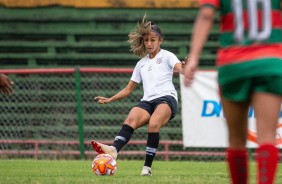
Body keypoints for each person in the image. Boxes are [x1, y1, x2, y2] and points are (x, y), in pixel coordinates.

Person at [184, 0, 282, 183]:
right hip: (270, 62)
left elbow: (206, 15)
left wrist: (194, 57)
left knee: (236, 141)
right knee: (267, 137)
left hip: (234, 64)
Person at [91, 15, 185, 176]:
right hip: (148, 101)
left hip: (166, 98)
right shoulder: (141, 63)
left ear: (160, 40)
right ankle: (113, 150)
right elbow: (128, 89)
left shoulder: (167, 56)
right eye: (146, 40)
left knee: (154, 123)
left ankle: (147, 168)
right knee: (130, 119)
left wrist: (185, 67)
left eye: (153, 40)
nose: (149, 43)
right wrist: (110, 99)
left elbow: (180, 68)